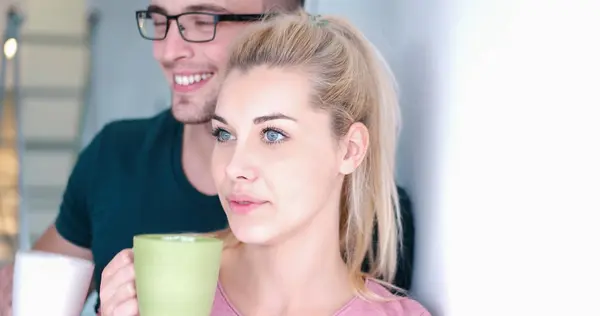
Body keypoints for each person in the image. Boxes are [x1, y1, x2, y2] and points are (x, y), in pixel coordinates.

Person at [0, 0, 416, 314]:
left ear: (350, 148)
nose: (168, 51)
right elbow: (35, 287)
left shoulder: (386, 260)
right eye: (224, 133)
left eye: (273, 134)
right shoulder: (159, 281)